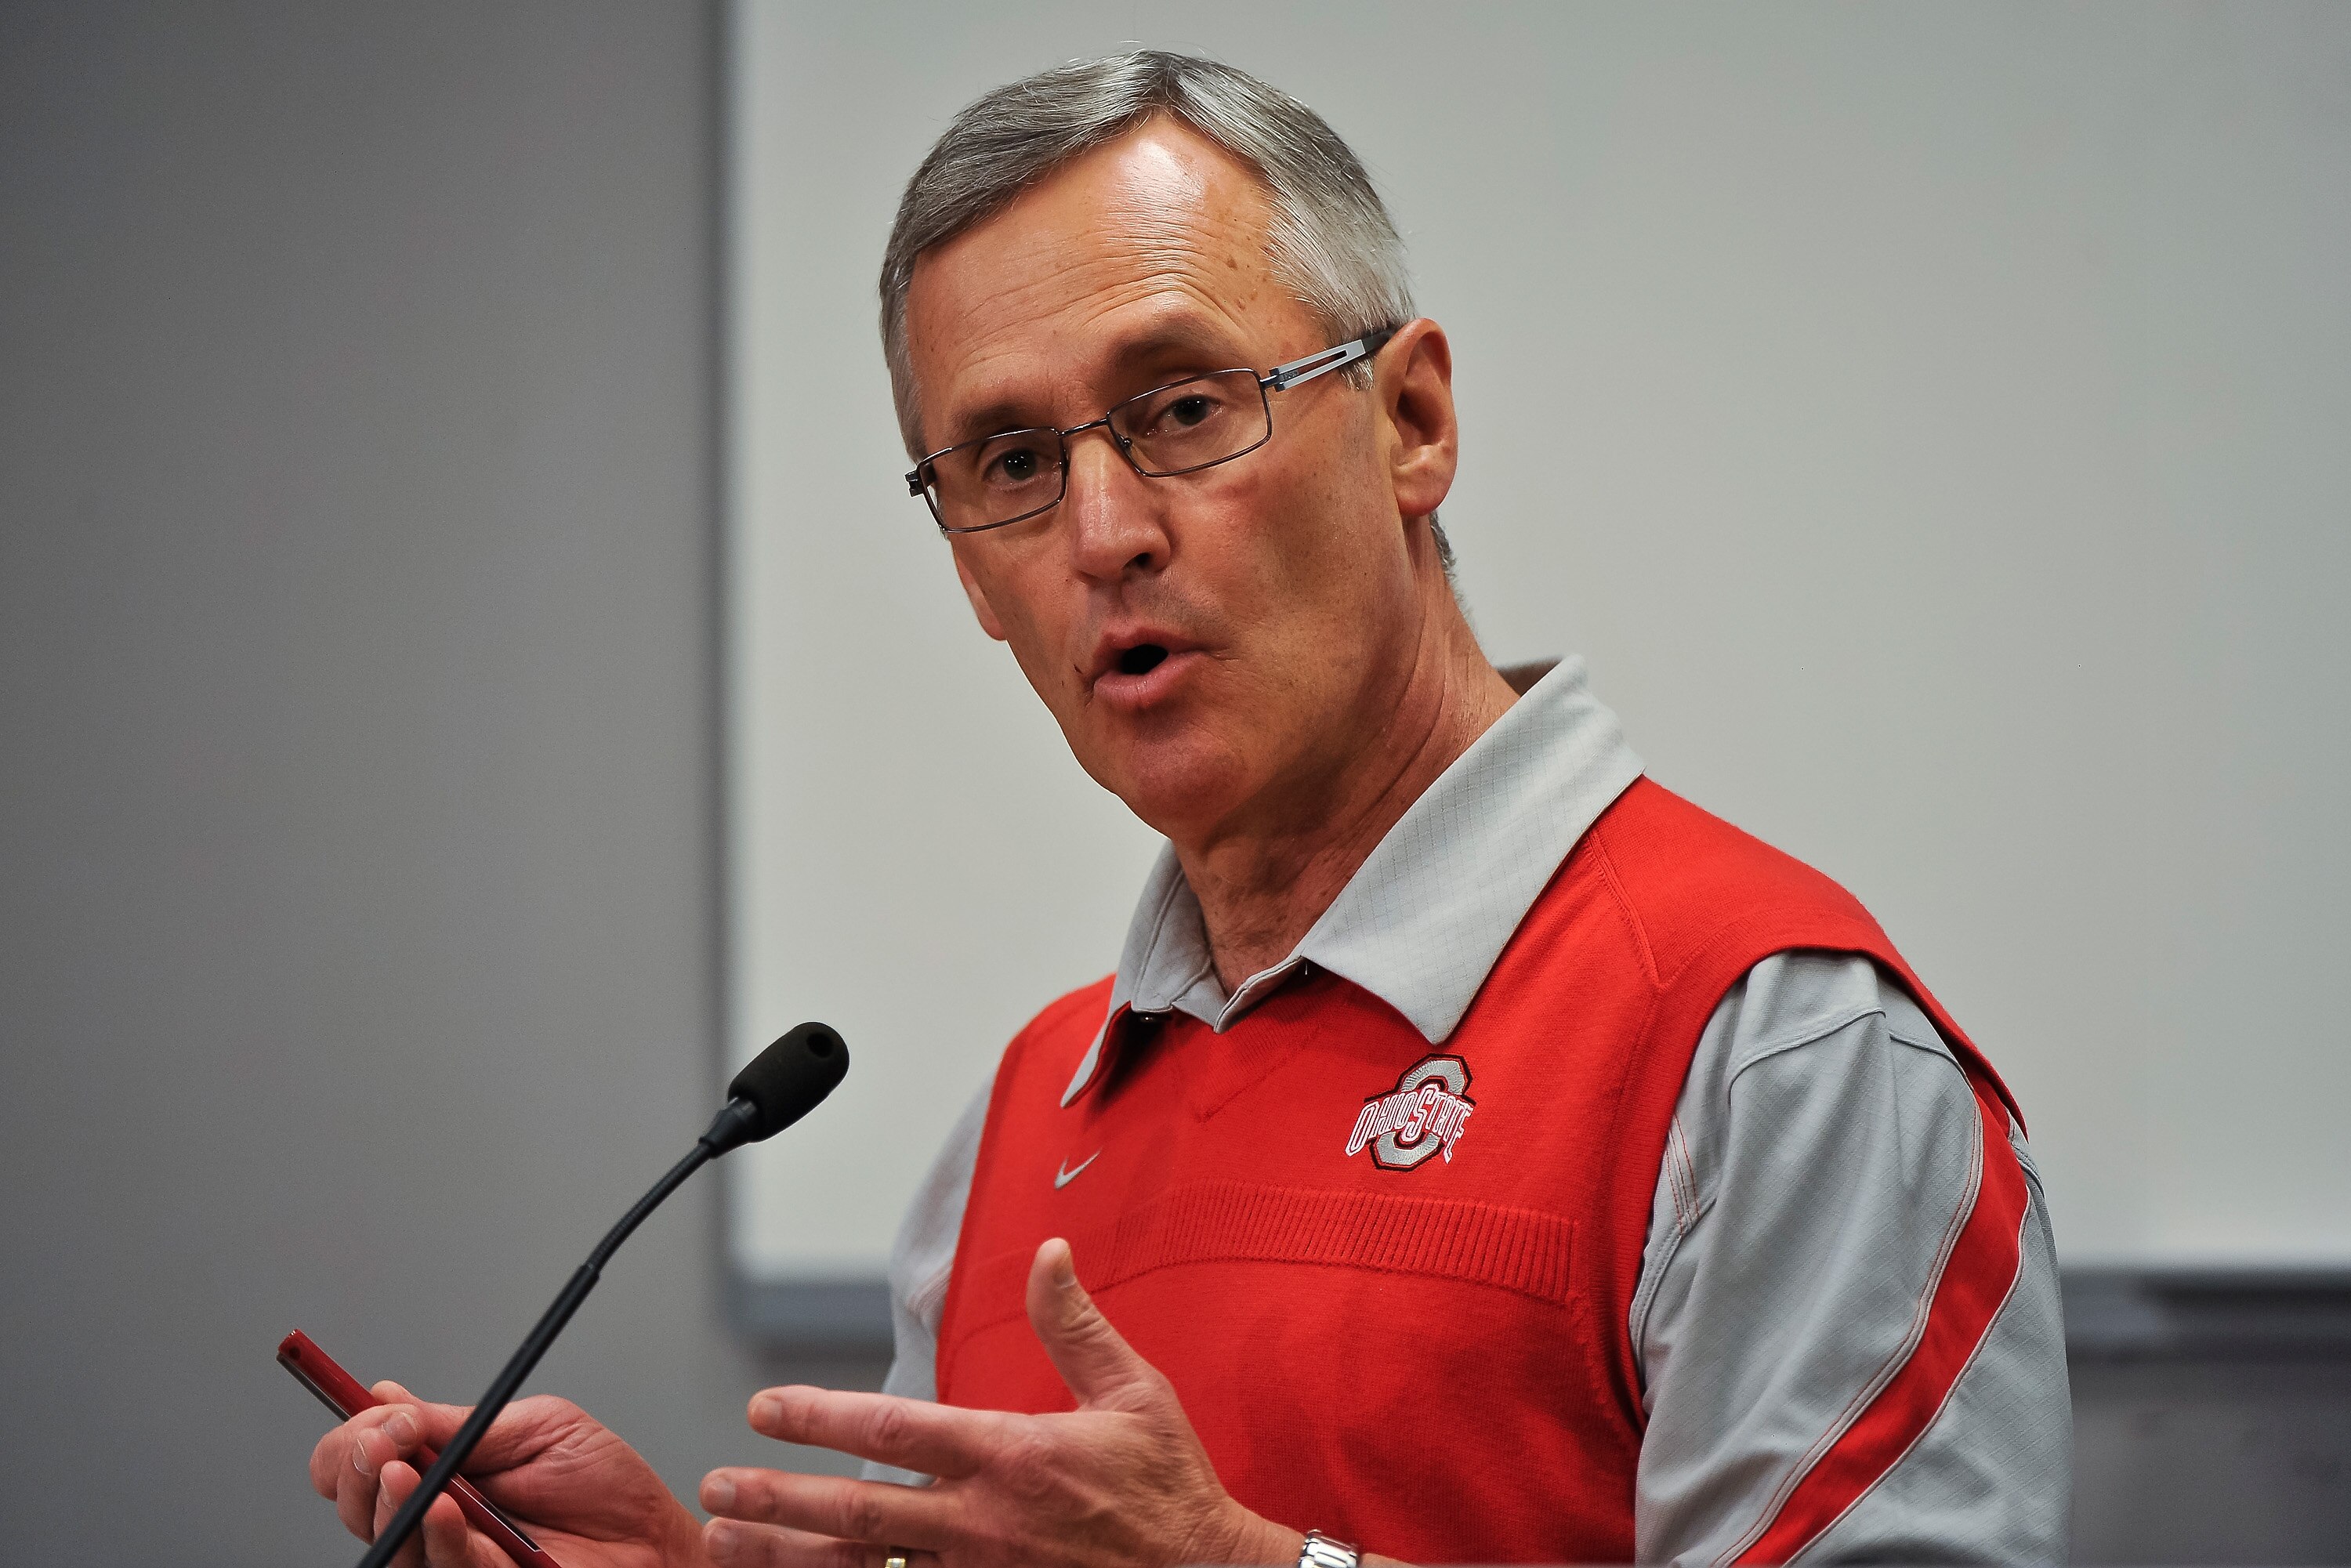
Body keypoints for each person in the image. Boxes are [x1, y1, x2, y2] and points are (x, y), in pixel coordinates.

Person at [310, 51, 2070, 1568]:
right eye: (1009, 463)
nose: (1102, 532)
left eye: (1181, 407)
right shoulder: (1017, 1120)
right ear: (968, 576)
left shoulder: (1770, 1044)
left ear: (1413, 420)